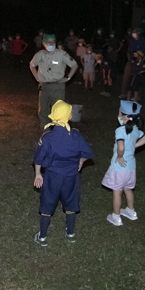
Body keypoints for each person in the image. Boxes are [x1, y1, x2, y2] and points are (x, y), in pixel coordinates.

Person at [33, 100, 93, 246]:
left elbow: (38, 159)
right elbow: (88, 153)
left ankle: (42, 237)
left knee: (48, 203)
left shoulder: (47, 138)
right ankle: (70, 233)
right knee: (71, 202)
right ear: (70, 117)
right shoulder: (76, 136)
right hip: (71, 177)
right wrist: (81, 160)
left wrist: (38, 174)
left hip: (52, 177)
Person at [102, 100, 145, 226]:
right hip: (131, 166)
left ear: (124, 116)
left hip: (120, 167)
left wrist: (120, 156)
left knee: (117, 191)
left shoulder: (121, 131)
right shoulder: (135, 128)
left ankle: (116, 217)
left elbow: (121, 147)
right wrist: (133, 147)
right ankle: (131, 211)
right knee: (128, 189)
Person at [29, 34, 78, 129]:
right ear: (44, 43)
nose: (51, 44)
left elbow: (74, 65)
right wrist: (37, 78)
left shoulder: (61, 54)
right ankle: (45, 129)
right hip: (44, 86)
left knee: (59, 109)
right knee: (43, 109)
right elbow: (31, 65)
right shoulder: (39, 55)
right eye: (49, 42)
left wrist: (68, 78)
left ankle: (58, 130)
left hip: (58, 86)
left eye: (53, 42)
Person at [119, 28, 145, 99]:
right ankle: (124, 93)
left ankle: (136, 95)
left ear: (138, 33)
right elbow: (128, 51)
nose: (133, 33)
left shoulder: (143, 41)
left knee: (137, 78)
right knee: (126, 76)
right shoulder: (131, 41)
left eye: (134, 32)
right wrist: (129, 59)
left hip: (139, 61)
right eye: (132, 32)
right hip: (131, 61)